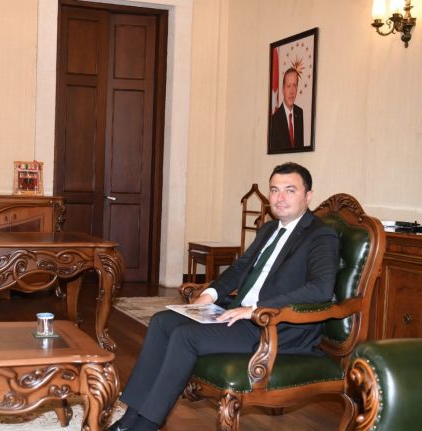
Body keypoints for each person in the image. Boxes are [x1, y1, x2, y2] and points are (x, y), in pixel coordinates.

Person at [105, 162, 340, 431]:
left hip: (274, 326)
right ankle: (129, 419)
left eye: (290, 190)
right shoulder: (269, 229)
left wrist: (255, 309)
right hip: (240, 314)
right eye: (274, 190)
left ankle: (146, 425)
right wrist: (209, 294)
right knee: (162, 321)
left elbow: (321, 288)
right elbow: (240, 269)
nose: (280, 198)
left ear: (308, 196)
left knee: (185, 336)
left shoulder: (321, 235)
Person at [269, 68, 304, 151]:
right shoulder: (274, 120)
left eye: (294, 85)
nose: (292, 91)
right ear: (283, 89)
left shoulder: (299, 113)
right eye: (288, 86)